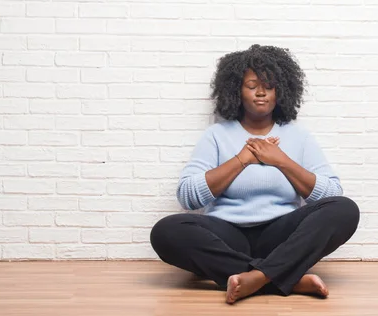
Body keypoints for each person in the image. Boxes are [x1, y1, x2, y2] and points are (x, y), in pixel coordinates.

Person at [150, 44, 360, 304]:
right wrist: (243, 159)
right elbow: (188, 197)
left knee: (345, 209)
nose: (261, 93)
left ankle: (255, 277)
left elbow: (330, 193)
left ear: (281, 91)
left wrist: (281, 161)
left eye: (269, 86)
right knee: (166, 231)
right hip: (227, 235)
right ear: (237, 90)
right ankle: (283, 278)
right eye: (252, 86)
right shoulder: (217, 135)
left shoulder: (299, 136)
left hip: (281, 237)